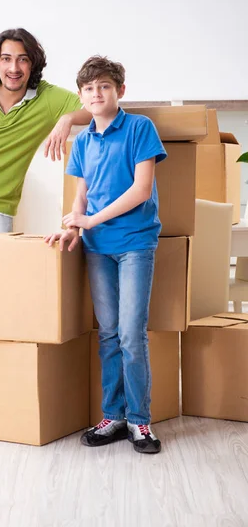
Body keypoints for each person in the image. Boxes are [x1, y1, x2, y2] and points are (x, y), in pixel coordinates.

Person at [45, 56, 167, 454]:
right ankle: (113, 416)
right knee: (110, 334)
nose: (97, 94)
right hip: (97, 249)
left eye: (104, 86)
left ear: (120, 91)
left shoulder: (139, 129)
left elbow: (141, 190)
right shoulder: (82, 142)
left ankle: (140, 422)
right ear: (82, 96)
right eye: (89, 89)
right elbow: (81, 192)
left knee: (132, 335)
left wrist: (91, 220)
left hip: (134, 244)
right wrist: (74, 225)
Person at [0, 28, 91, 234]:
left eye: (23, 59)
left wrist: (67, 118)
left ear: (32, 64)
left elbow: (97, 109)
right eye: (6, 59)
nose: (14, 68)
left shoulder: (48, 98)